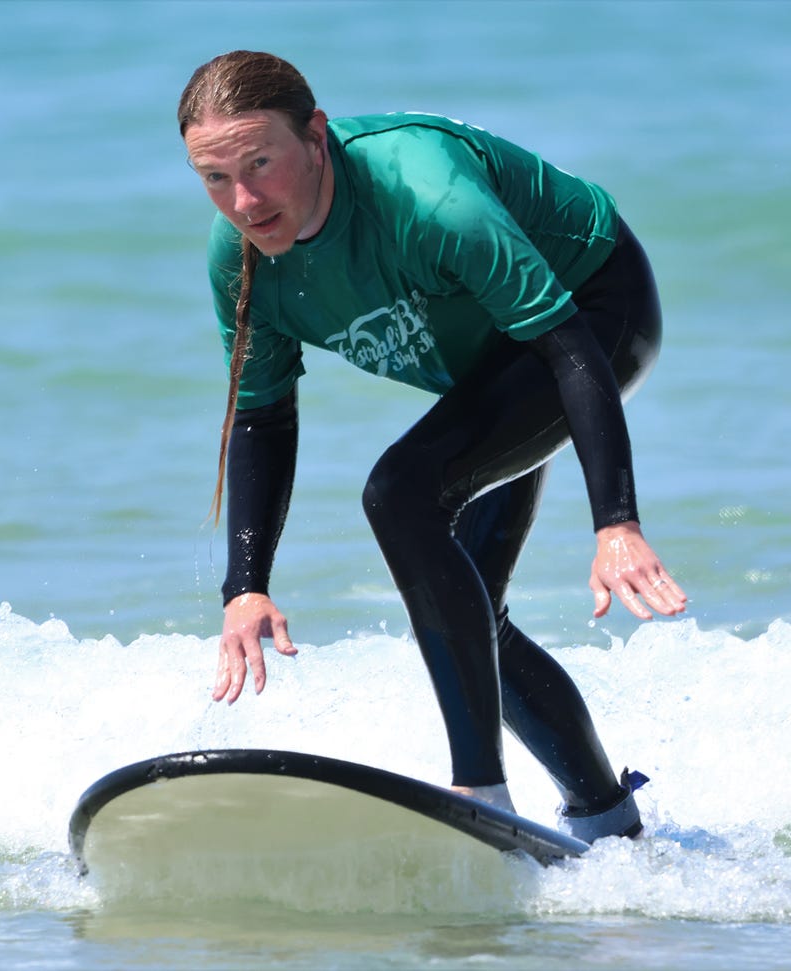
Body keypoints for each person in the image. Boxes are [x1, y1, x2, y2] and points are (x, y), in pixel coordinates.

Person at [178, 50, 687, 841]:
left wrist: (615, 520)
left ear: (315, 136)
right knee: (472, 605)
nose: (242, 201)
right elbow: (262, 415)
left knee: (401, 493)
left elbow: (567, 348)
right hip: (493, 362)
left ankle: (480, 792)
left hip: (593, 310)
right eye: (215, 177)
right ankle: (609, 821)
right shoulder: (242, 260)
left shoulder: (428, 196)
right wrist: (245, 585)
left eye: (259, 164)